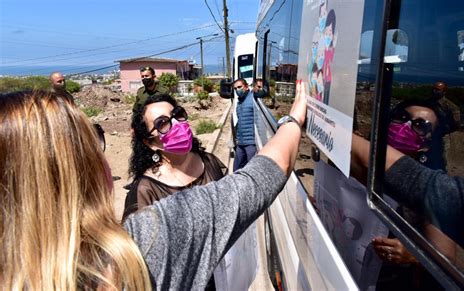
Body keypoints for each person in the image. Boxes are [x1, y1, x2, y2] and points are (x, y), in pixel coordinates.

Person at [0, 81, 306, 290]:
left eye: (177, 116)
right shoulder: (148, 237)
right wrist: (292, 120)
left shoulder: (209, 161)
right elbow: (257, 180)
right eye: (93, 141)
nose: (176, 126)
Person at [351, 133, 464, 255]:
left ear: (427, 144)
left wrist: (414, 254)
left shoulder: (429, 189)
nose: (405, 127)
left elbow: (444, 255)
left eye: (420, 125)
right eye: (402, 117)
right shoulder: (363, 152)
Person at [122, 93, 227, 221]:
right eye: (162, 123)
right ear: (150, 142)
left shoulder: (209, 162)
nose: (176, 123)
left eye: (177, 114)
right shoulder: (145, 191)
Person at [233, 78, 261, 171]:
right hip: (240, 142)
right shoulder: (239, 102)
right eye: (235, 88)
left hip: (251, 143)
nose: (237, 90)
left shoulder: (253, 97)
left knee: (251, 170)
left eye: (239, 87)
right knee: (236, 169)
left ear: (246, 86)